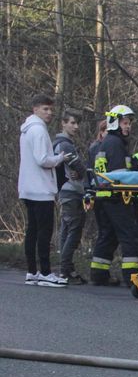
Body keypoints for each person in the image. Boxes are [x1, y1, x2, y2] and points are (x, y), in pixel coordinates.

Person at [18, 94, 70, 287]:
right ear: (35, 109)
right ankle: (46, 273)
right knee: (44, 231)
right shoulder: (39, 130)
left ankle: (32, 271)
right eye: (45, 109)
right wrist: (59, 158)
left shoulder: (26, 130)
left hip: (27, 187)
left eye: (50, 109)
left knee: (32, 230)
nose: (49, 113)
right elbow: (42, 159)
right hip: (41, 189)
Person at [89, 104, 138, 288]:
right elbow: (121, 175)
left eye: (129, 123)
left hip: (103, 197)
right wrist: (135, 171)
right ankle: (132, 276)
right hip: (116, 197)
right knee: (129, 235)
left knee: (108, 236)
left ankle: (99, 274)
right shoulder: (115, 143)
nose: (128, 126)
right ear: (115, 123)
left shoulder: (107, 143)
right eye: (125, 123)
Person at [53, 108, 88, 285]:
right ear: (63, 123)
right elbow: (79, 167)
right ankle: (64, 270)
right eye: (72, 123)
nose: (76, 126)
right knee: (73, 230)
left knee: (67, 231)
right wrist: (84, 175)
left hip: (65, 191)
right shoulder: (64, 144)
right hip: (71, 192)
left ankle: (66, 269)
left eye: (77, 123)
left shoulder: (61, 143)